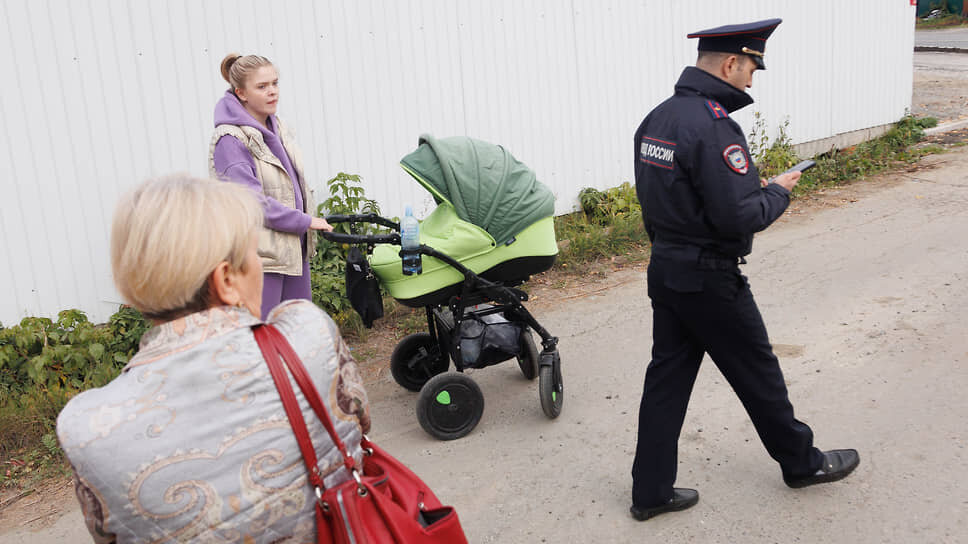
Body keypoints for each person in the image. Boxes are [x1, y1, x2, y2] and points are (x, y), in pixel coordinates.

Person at [56, 175, 370, 543]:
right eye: (255, 255)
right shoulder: (308, 335)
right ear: (226, 280)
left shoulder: (85, 429)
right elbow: (359, 425)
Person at [630, 18, 859, 521]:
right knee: (759, 374)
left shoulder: (658, 118)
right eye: (752, 67)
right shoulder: (713, 126)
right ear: (731, 63)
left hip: (666, 269)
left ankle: (649, 491)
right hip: (710, 277)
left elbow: (656, 199)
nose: (752, 79)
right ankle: (802, 464)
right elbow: (739, 215)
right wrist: (779, 191)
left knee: (666, 379)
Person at [210, 53, 332, 320]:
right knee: (262, 339)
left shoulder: (278, 128)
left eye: (275, 83)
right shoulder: (231, 140)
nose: (273, 92)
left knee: (297, 334)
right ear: (241, 92)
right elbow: (251, 203)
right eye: (262, 86)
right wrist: (304, 220)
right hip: (259, 258)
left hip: (290, 250)